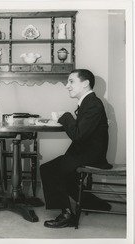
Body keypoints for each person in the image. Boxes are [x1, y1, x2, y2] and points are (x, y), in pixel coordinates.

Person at [40, 69, 112, 228]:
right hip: (86, 153)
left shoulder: (93, 104)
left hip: (91, 156)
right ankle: (95, 204)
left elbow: (78, 134)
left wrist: (65, 116)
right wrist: (68, 119)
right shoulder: (90, 102)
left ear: (85, 84)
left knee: (49, 169)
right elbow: (83, 131)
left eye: (71, 81)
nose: (67, 86)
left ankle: (66, 215)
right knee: (62, 171)